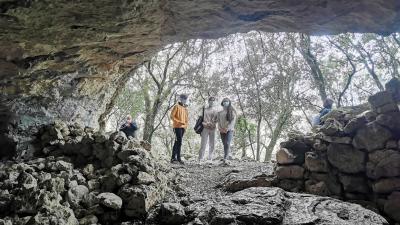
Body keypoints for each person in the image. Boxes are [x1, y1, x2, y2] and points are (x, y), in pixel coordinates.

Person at [170, 94, 189, 164]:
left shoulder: (185, 109)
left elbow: (187, 119)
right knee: (179, 142)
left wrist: (185, 127)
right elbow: (172, 116)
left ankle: (173, 158)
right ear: (180, 99)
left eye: (186, 99)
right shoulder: (176, 106)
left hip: (183, 128)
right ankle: (178, 158)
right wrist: (179, 122)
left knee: (177, 142)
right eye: (183, 98)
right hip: (177, 127)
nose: (185, 100)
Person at [198, 96, 218, 162]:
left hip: (213, 128)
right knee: (203, 143)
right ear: (208, 101)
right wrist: (206, 124)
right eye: (211, 100)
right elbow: (201, 119)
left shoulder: (216, 110)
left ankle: (210, 158)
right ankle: (201, 158)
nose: (212, 102)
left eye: (213, 100)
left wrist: (213, 124)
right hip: (205, 128)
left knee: (212, 143)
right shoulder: (204, 109)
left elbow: (217, 120)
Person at [217, 98, 237, 162]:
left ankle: (226, 157)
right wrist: (220, 128)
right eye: (224, 102)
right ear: (222, 103)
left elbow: (232, 122)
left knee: (227, 143)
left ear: (229, 103)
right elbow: (219, 121)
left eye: (227, 101)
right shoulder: (219, 113)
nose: (225, 103)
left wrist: (227, 128)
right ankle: (227, 155)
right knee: (224, 143)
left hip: (230, 130)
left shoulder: (232, 112)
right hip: (221, 130)